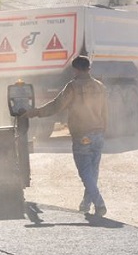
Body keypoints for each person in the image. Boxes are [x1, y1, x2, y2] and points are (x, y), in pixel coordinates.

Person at [25, 55, 108, 217]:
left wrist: (35, 113)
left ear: (75, 69)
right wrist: (103, 130)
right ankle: (86, 204)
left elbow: (57, 106)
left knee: (85, 172)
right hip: (98, 133)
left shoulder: (73, 86)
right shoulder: (100, 86)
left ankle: (100, 203)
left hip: (82, 135)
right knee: (93, 171)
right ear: (89, 68)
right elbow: (105, 112)